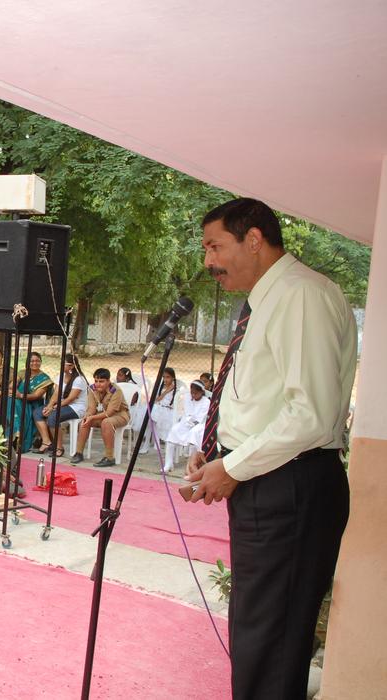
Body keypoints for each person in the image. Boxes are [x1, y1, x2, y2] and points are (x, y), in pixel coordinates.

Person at [184, 198, 355, 698]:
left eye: (215, 247)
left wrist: (234, 466)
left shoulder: (300, 295)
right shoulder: (269, 299)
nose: (208, 262)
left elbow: (311, 414)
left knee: (270, 642)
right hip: (271, 479)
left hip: (290, 485)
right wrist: (218, 452)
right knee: (260, 635)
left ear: (254, 239)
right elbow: (262, 398)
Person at [69, 368, 132, 467]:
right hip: (104, 414)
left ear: (108, 381)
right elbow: (91, 408)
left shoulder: (116, 391)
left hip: (120, 415)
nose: (98, 384)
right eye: (96, 381)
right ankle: (79, 453)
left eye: (101, 381)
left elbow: (110, 413)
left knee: (106, 422)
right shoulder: (92, 389)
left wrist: (92, 417)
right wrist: (88, 416)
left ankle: (109, 457)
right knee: (85, 421)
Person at [41, 353, 87, 458]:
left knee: (53, 417)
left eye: (63, 363)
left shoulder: (79, 379)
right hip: (62, 405)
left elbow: (71, 399)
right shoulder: (60, 376)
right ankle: (46, 441)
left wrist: (54, 407)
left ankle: (59, 447)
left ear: (72, 366)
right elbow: (56, 394)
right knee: (38, 413)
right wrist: (49, 406)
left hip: (76, 408)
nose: (61, 365)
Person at [8, 352, 54, 453]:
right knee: (10, 400)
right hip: (18, 400)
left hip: (32, 403)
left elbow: (36, 395)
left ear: (41, 362)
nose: (34, 363)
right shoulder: (23, 372)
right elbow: (12, 385)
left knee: (13, 402)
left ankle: (17, 434)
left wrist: (20, 395)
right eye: (32, 361)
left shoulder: (44, 378)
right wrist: (12, 389)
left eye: (37, 361)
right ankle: (15, 434)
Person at [163, 380, 210, 472]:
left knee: (194, 433)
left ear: (202, 392)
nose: (193, 395)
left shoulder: (206, 402)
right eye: (192, 392)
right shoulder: (188, 397)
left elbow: (200, 418)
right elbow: (188, 412)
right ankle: (168, 463)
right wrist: (188, 421)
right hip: (186, 422)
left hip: (199, 425)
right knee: (174, 430)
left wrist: (191, 422)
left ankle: (190, 464)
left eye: (196, 393)